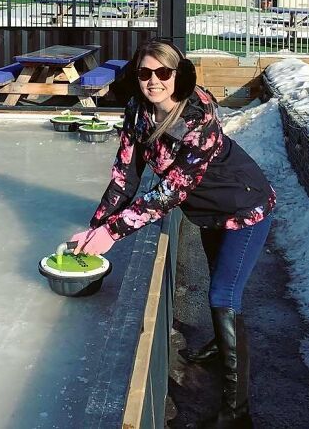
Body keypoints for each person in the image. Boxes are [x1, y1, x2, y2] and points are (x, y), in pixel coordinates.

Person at [69, 38, 276, 429]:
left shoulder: (199, 117)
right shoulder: (138, 111)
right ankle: (221, 346)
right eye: (145, 73)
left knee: (224, 295)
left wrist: (113, 233)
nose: (153, 81)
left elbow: (170, 192)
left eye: (162, 73)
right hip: (209, 214)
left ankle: (237, 414)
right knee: (220, 284)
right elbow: (123, 178)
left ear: (177, 74)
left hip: (244, 208)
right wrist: (96, 226)